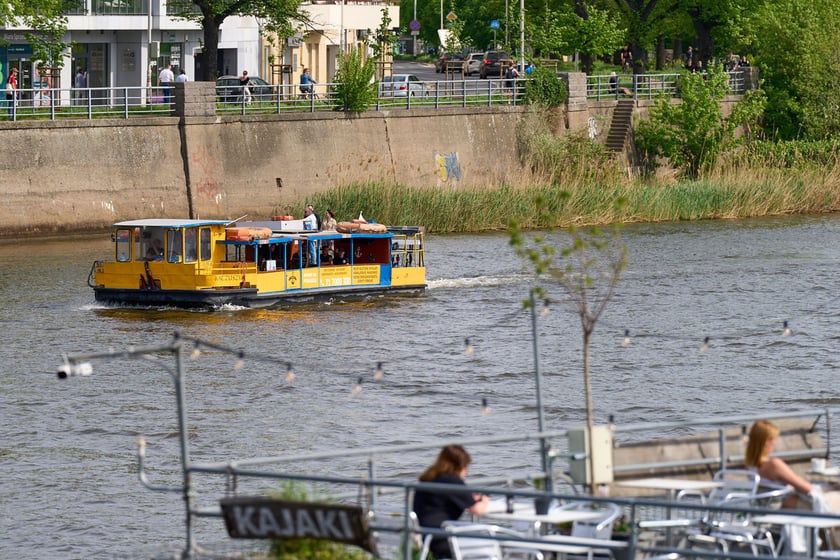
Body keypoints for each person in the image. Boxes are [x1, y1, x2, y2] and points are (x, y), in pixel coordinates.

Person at [412, 445, 490, 559]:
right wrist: (485, 499)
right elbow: (477, 510)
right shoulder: (452, 481)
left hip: (426, 536)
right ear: (461, 466)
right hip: (443, 539)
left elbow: (443, 501)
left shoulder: (427, 479)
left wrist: (469, 498)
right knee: (489, 543)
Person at [745, 420, 840, 511]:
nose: (775, 442)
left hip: (766, 504)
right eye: (774, 439)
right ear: (766, 442)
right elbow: (806, 488)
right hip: (790, 505)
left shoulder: (750, 465)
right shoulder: (774, 464)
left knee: (833, 487)